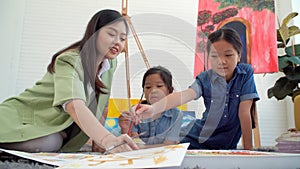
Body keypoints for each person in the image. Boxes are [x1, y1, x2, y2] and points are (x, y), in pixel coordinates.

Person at [0, 9, 138, 153]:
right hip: (19, 119)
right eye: (111, 34)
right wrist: (107, 139)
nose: (117, 42)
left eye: (122, 38)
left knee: (57, 141)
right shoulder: (69, 60)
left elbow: (102, 105)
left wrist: (99, 142)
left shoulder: (110, 64)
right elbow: (74, 105)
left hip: (52, 127)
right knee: (51, 143)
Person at [133, 28, 260, 150]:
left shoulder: (245, 73)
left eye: (228, 55)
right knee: (166, 148)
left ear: (238, 55)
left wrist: (248, 150)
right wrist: (154, 108)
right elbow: (185, 95)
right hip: (196, 137)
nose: (221, 61)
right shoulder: (205, 78)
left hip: (227, 142)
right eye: (214, 56)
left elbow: (244, 112)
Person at [119, 66, 183, 148]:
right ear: (143, 92)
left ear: (170, 90)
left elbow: (169, 146)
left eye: (159, 86)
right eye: (148, 87)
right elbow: (131, 142)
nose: (153, 90)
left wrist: (142, 148)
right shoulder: (136, 111)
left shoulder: (176, 115)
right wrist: (125, 128)